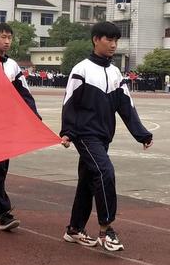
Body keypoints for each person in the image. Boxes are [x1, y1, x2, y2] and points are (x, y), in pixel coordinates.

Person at [60, 21, 153, 251]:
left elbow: (126, 106)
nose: (113, 44)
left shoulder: (115, 73)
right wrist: (68, 131)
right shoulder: (81, 69)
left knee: (87, 182)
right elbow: (69, 102)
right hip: (85, 134)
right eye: (108, 40)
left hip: (103, 136)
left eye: (116, 40)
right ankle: (106, 229)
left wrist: (141, 134)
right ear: (96, 40)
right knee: (105, 172)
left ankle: (74, 229)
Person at [0, 22, 41, 231]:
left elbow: (24, 93)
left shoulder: (13, 66)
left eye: (9, 38)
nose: (6, 41)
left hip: (6, 123)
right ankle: (4, 212)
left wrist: (34, 117)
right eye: (3, 37)